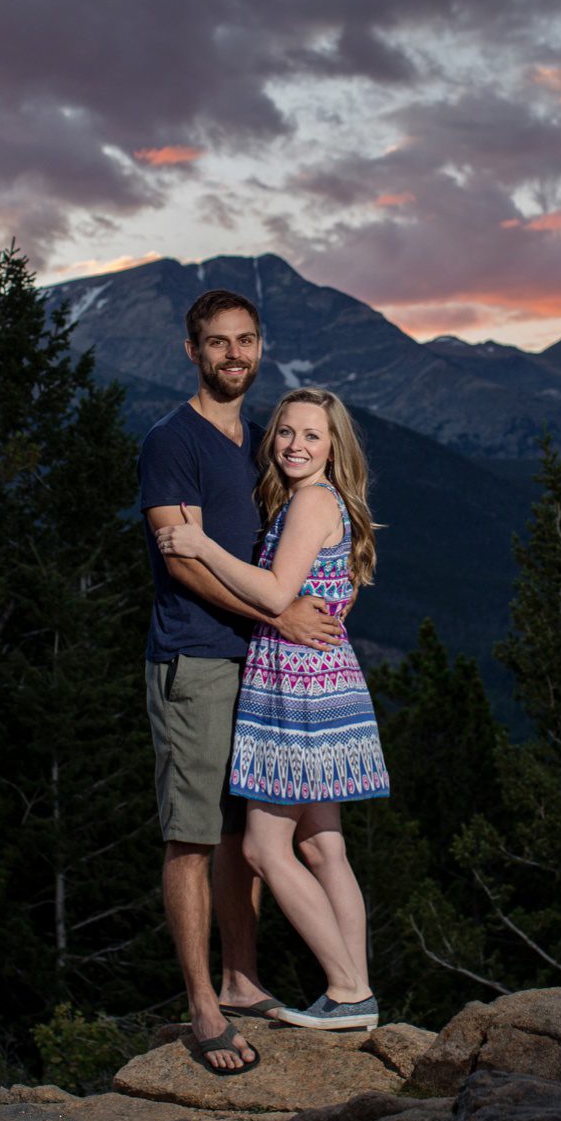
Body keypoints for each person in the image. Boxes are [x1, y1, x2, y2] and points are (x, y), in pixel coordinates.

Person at [139, 292, 347, 1075]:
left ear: (260, 348)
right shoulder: (170, 441)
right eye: (218, 341)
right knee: (192, 834)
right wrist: (279, 613)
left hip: (261, 666)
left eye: (246, 340)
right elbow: (182, 562)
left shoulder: (264, 442)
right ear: (191, 350)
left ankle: (241, 980)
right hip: (194, 659)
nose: (234, 353)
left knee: (242, 833)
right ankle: (202, 1006)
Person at [155, 385, 389, 1031]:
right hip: (326, 678)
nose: (294, 444)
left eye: (311, 435)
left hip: (296, 686)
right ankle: (358, 992)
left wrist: (202, 544)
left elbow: (276, 594)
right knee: (323, 845)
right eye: (285, 431)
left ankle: (347, 989)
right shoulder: (325, 500)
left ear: (333, 446)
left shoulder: (311, 501)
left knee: (263, 847)